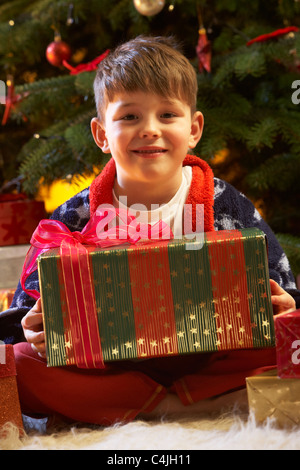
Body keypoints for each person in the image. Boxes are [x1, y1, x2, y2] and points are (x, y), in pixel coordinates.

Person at [2, 36, 299, 426]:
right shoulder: (78, 213)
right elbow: (26, 315)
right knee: (18, 365)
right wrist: (33, 329)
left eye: (167, 115)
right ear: (101, 135)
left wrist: (285, 307)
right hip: (110, 366)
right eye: (129, 117)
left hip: (211, 356)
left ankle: (157, 403)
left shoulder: (224, 201)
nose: (150, 130)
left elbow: (283, 289)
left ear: (194, 129)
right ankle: (175, 407)